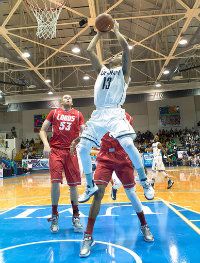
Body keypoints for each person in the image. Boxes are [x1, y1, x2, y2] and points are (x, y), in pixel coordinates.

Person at [77, 20, 154, 203]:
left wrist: (116, 30)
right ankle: (89, 185)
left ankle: (144, 181)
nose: (115, 56)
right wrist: (99, 32)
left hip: (114, 112)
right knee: (82, 149)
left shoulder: (124, 73)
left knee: (127, 143)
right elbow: (89, 51)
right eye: (113, 56)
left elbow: (126, 49)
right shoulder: (102, 71)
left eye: (118, 56)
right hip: (99, 114)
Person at [79, 112, 154, 258]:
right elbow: (89, 135)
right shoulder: (96, 116)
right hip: (104, 158)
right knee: (98, 194)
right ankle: (88, 235)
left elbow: (129, 140)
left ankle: (144, 226)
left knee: (131, 193)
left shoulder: (126, 116)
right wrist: (79, 139)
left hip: (122, 157)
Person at [40, 95, 84, 233]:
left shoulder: (78, 114)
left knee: (73, 185)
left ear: (72, 101)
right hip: (56, 151)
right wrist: (46, 145)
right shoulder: (54, 112)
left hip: (71, 152)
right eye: (65, 97)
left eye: (70, 98)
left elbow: (85, 132)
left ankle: (76, 215)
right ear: (61, 101)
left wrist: (76, 141)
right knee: (55, 183)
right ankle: (54, 216)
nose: (68, 99)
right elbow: (42, 130)